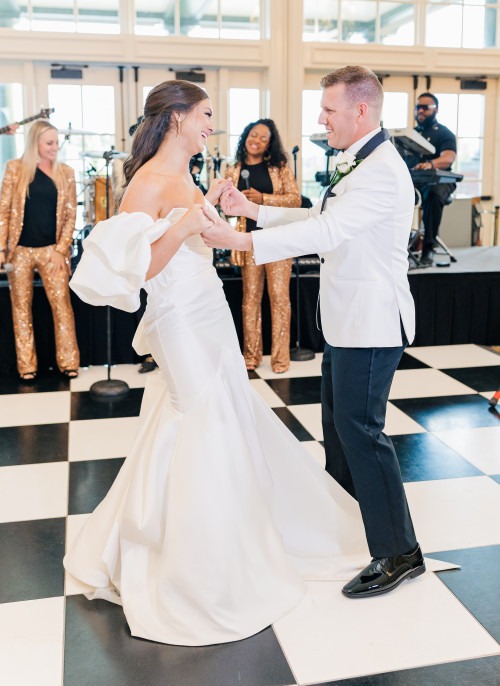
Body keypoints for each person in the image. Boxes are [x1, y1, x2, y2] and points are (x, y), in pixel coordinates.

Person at [64, 79, 373, 647]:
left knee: (221, 412)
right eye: (205, 113)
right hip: (179, 317)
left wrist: (223, 215)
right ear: (176, 116)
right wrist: (185, 226)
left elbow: (203, 241)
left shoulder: (187, 174)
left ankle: (229, 540)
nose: (212, 122)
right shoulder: (147, 182)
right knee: (199, 414)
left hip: (207, 307)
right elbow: (140, 270)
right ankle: (196, 570)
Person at [202, 65, 425, 599]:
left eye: (328, 110)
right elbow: (318, 211)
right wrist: (251, 210)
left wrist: (241, 241)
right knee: (337, 427)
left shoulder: (382, 170)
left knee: (361, 431)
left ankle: (399, 552)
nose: (320, 120)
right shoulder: (358, 161)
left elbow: (326, 231)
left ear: (361, 111)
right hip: (347, 319)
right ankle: (349, 521)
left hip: (372, 323)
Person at [0, 120, 79, 381]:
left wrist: (61, 249)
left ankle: (69, 363)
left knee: (62, 307)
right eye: (49, 143)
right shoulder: (14, 169)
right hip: (20, 251)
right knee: (21, 310)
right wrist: (1, 249)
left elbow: (70, 215)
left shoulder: (66, 173)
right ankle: (27, 367)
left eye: (56, 142)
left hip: (51, 251)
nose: (55, 147)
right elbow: (3, 211)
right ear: (35, 143)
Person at [226, 119, 300, 373]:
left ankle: (280, 360)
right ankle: (251, 356)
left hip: (278, 241)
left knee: (279, 300)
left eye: (263, 138)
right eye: (252, 135)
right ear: (245, 136)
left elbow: (295, 200)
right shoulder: (233, 170)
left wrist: (263, 199)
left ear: (270, 145)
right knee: (250, 301)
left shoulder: (279, 169)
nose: (256, 140)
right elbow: (226, 208)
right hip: (249, 241)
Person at [412, 93, 457, 266]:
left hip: (440, 181)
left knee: (433, 194)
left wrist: (431, 164)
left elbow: (448, 158)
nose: (421, 111)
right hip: (415, 181)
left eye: (425, 107)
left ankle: (428, 247)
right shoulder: (412, 134)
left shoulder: (445, 133)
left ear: (436, 110)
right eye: (418, 107)